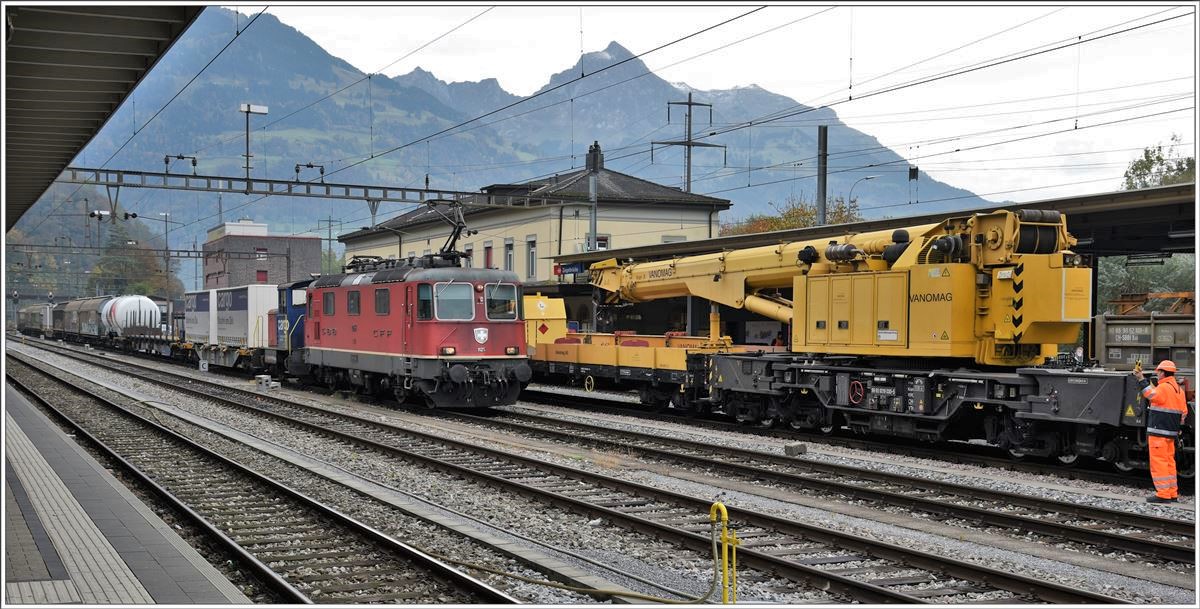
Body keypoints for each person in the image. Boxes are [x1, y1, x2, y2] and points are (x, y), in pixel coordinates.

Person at [1134, 360, 1188, 503]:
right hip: (1171, 433)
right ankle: (1172, 493)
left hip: (1159, 432)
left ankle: (1163, 494)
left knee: (1159, 463)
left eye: (1158, 372)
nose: (1157, 375)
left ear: (1163, 373)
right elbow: (1183, 413)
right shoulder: (1179, 390)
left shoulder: (1164, 387)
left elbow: (1151, 395)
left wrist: (1141, 379)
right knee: (1170, 462)